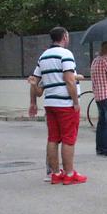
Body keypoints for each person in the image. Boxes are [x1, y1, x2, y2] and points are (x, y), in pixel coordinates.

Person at [28, 27, 87, 185]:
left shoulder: (43, 56)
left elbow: (35, 80)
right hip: (65, 103)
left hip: (50, 103)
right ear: (65, 37)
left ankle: (55, 173)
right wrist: (75, 102)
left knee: (53, 138)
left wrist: (33, 102)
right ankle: (69, 174)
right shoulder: (66, 54)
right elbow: (69, 80)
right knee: (68, 139)